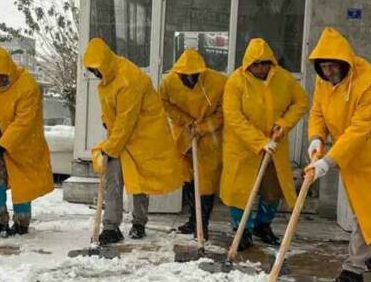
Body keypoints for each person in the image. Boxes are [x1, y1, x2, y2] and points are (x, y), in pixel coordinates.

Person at [304, 28, 371, 282]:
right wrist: (316, 137)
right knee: (365, 209)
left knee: (367, 211)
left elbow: (359, 130)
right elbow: (318, 111)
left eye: (332, 66)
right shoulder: (324, 83)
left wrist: (328, 161)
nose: (328, 72)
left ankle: (353, 270)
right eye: (323, 67)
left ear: (344, 62)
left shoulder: (370, 84)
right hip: (351, 153)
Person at [83, 37, 182, 244]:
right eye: (92, 71)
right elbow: (111, 110)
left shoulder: (128, 78)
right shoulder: (107, 79)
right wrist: (105, 123)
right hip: (121, 135)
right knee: (113, 177)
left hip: (144, 134)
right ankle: (111, 226)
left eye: (97, 69)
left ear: (106, 63)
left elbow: (126, 119)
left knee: (139, 180)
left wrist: (110, 147)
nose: (96, 74)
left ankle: (139, 223)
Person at [220, 39, 308, 250]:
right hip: (243, 147)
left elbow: (301, 102)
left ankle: (262, 225)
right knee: (240, 190)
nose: (260, 69)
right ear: (248, 63)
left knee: (272, 189)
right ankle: (242, 229)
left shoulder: (284, 79)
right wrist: (259, 141)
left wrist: (283, 124)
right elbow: (233, 116)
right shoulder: (236, 82)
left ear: (271, 62)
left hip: (274, 146)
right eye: (256, 64)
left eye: (264, 63)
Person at [0, 45, 54, 237]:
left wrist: (4, 145)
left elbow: (24, 122)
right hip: (0, 139)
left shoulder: (27, 85)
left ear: (9, 71)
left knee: (22, 184)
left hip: (24, 143)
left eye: (1, 76)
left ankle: (22, 222)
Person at [159, 48, 226, 239]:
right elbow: (164, 104)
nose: (189, 79)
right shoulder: (168, 82)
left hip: (209, 135)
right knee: (187, 176)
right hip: (183, 133)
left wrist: (203, 126)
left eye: (194, 75)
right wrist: (186, 121)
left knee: (205, 180)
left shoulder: (219, 82)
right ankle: (192, 220)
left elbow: (223, 111)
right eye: (184, 76)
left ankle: (202, 225)